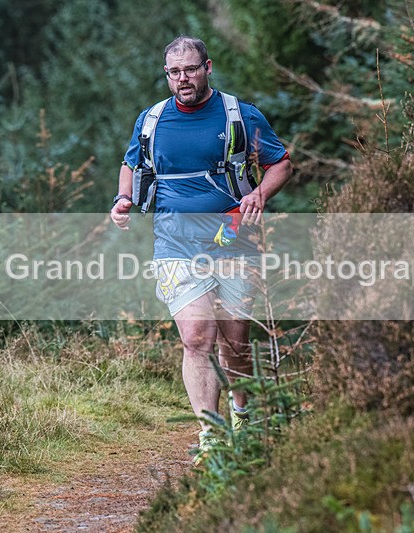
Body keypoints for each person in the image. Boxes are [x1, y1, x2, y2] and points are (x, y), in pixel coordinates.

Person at [110, 36, 292, 463]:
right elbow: (132, 164)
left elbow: (281, 163)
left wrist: (259, 194)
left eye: (190, 69)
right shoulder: (152, 120)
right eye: (174, 72)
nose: (182, 79)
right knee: (196, 337)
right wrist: (123, 201)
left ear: (207, 67)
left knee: (236, 342)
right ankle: (211, 435)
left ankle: (242, 416)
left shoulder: (239, 116)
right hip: (174, 243)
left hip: (233, 240)